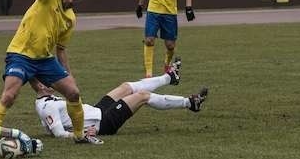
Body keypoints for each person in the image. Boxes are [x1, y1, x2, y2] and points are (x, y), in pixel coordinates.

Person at [0, 0, 100, 144]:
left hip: (45, 60)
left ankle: (79, 136)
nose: (70, 0)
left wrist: (69, 75)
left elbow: (61, 50)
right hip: (20, 54)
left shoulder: (71, 19)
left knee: (73, 93)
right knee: (9, 96)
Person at [34, 58, 209, 138]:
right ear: (41, 85)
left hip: (97, 111)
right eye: (49, 80)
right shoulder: (45, 107)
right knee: (142, 96)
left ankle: (169, 78)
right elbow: (58, 133)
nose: (55, 81)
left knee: (126, 87)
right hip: (102, 124)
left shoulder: (47, 101)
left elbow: (52, 126)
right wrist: (82, 134)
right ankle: (190, 103)